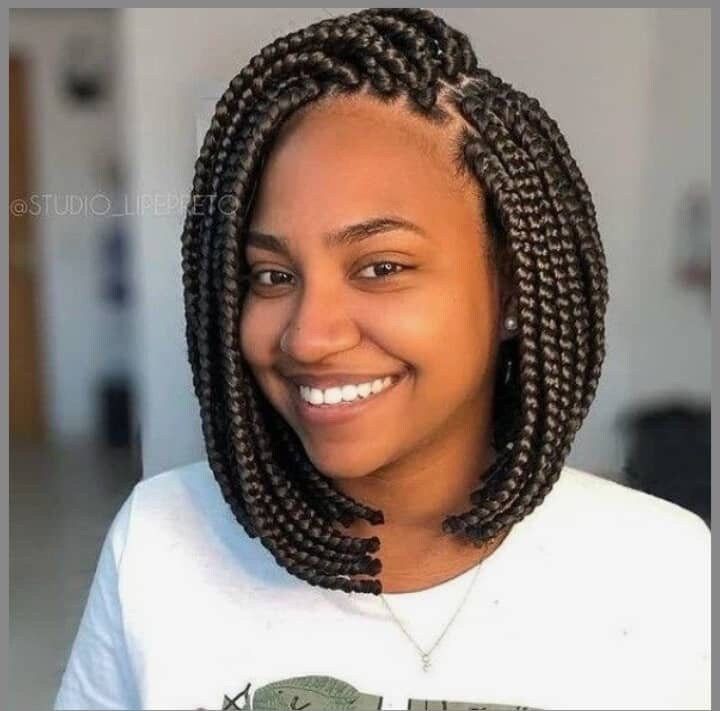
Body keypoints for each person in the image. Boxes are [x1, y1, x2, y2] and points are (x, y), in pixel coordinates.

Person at [54, 8, 710, 711]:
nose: (308, 337)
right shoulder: (160, 540)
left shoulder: (661, 568)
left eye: (381, 267)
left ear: (513, 290)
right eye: (272, 275)